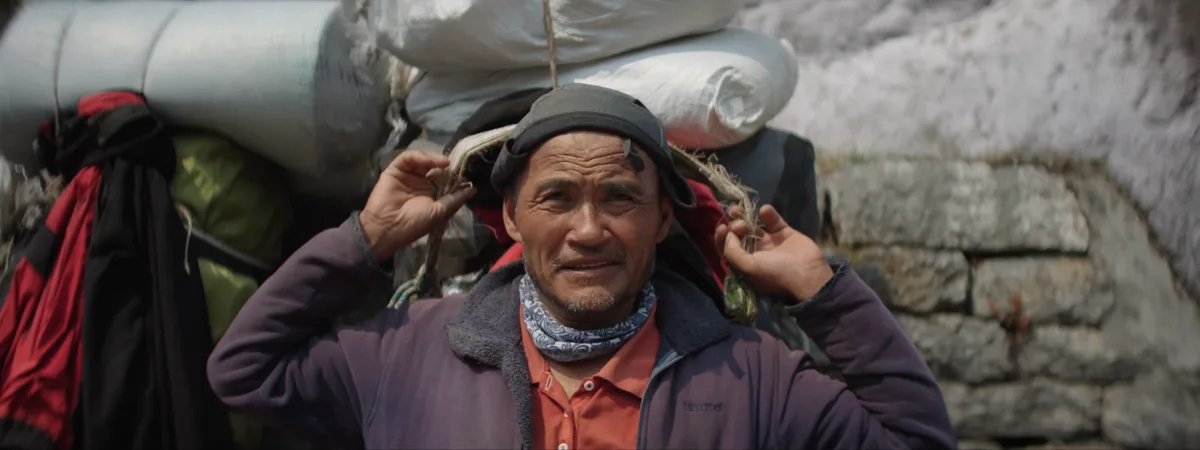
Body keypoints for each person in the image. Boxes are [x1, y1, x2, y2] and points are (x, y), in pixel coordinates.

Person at [207, 84, 956, 450]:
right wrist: (362, 240)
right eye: (557, 198)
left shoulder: (747, 376)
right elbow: (243, 369)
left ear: (664, 218)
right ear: (510, 218)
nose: (588, 230)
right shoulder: (409, 355)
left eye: (621, 199)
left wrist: (822, 291)